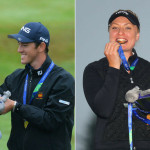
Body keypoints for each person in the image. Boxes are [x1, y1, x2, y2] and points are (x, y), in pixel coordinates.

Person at [0, 22, 74, 150]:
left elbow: (51, 120)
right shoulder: (16, 77)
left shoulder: (62, 80)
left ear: (41, 46)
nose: (19, 50)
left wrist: (16, 107)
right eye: (19, 44)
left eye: (25, 45)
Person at [83, 10, 150, 150]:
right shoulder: (94, 69)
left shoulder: (147, 68)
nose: (120, 32)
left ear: (137, 35)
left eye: (127, 27)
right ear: (109, 33)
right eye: (115, 28)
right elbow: (103, 110)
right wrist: (113, 67)